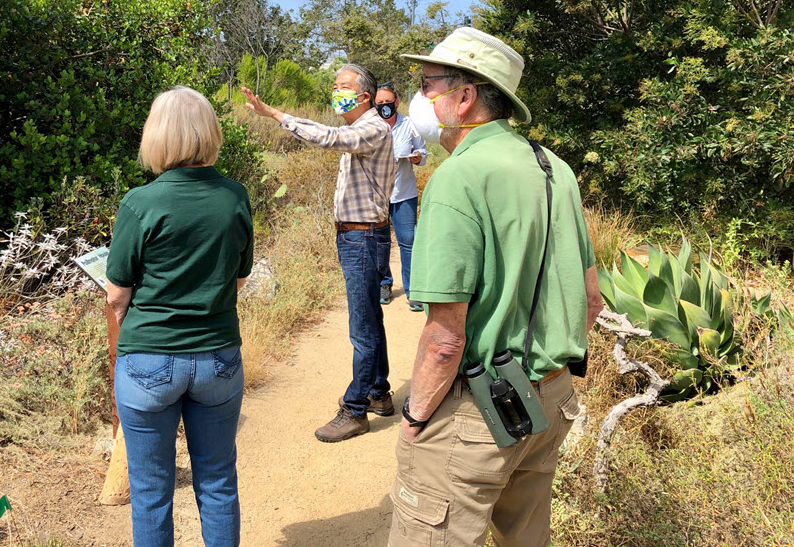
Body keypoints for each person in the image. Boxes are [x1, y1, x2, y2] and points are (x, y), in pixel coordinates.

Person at [387, 28, 604, 547]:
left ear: (464, 97)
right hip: (551, 398)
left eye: (428, 84)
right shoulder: (555, 168)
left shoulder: (458, 178)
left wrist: (416, 416)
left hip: (481, 410)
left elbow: (444, 340)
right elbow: (591, 299)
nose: (421, 96)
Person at [105, 86, 254, 547]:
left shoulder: (139, 202)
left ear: (157, 136)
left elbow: (116, 297)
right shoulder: (234, 197)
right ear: (210, 132)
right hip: (218, 359)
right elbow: (239, 279)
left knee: (151, 493)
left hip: (149, 359)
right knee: (218, 483)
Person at [240, 64, 395, 443]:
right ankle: (378, 392)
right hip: (359, 236)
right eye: (334, 85)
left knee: (362, 327)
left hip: (363, 237)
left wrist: (276, 115)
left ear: (364, 96)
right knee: (370, 318)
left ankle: (355, 409)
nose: (335, 91)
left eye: (343, 87)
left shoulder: (372, 128)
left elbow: (326, 137)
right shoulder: (361, 131)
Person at [373, 83, 427, 311]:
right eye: (380, 104)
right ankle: (384, 283)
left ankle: (413, 289)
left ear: (396, 102)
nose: (384, 107)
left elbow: (422, 153)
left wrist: (416, 158)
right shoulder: (370, 126)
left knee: (408, 241)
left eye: (388, 103)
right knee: (380, 241)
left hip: (404, 193)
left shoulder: (410, 125)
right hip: (377, 194)